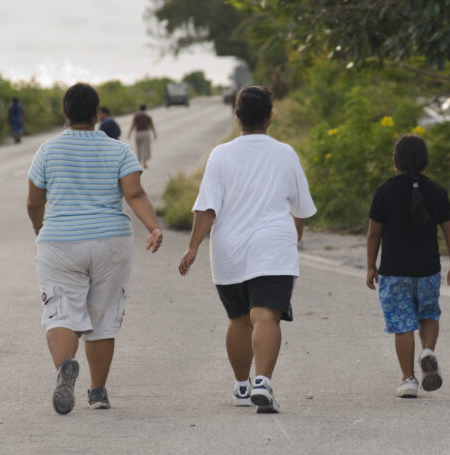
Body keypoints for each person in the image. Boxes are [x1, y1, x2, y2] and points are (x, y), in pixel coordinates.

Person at [26, 83, 163, 415]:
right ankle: (98, 392)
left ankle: (65, 368)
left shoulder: (47, 150)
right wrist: (153, 227)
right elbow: (135, 194)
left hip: (59, 241)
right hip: (109, 242)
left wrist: (40, 230)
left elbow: (34, 202)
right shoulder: (117, 150)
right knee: (102, 318)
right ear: (97, 113)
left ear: (65, 112)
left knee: (60, 311)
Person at [178, 86, 316, 414]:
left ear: (236, 115)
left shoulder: (221, 155)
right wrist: (293, 239)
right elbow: (300, 209)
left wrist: (193, 247)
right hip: (274, 247)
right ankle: (263, 382)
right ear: (270, 117)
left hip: (230, 250)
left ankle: (242, 387)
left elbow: (207, 208)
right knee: (266, 315)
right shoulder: (286, 153)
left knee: (239, 319)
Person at [366, 134, 450, 398]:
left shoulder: (384, 192)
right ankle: (428, 350)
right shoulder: (437, 192)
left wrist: (370, 266)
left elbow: (374, 234)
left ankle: (408, 379)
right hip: (428, 269)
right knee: (428, 314)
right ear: (425, 162)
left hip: (394, 270)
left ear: (394, 161)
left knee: (403, 324)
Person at [127, 104, 157, 168]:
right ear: (145, 109)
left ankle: (138, 162)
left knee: (138, 147)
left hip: (138, 133)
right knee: (145, 148)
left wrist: (130, 133)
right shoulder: (148, 116)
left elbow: (133, 125)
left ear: (139, 109)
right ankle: (145, 163)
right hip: (145, 133)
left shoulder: (136, 116)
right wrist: (154, 133)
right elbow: (151, 125)